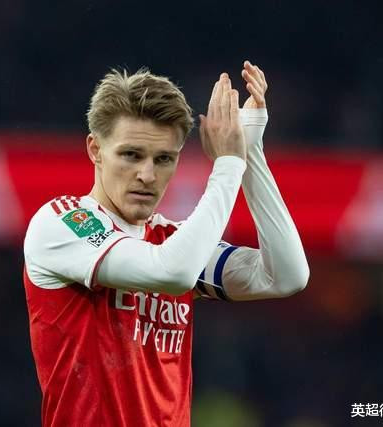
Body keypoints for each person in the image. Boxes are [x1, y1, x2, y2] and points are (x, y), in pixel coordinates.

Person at [23, 61, 309, 427]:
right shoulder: (63, 223)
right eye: (131, 155)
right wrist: (227, 166)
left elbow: (285, 276)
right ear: (95, 149)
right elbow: (173, 273)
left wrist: (249, 154)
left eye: (164, 159)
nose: (147, 175)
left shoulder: (171, 242)